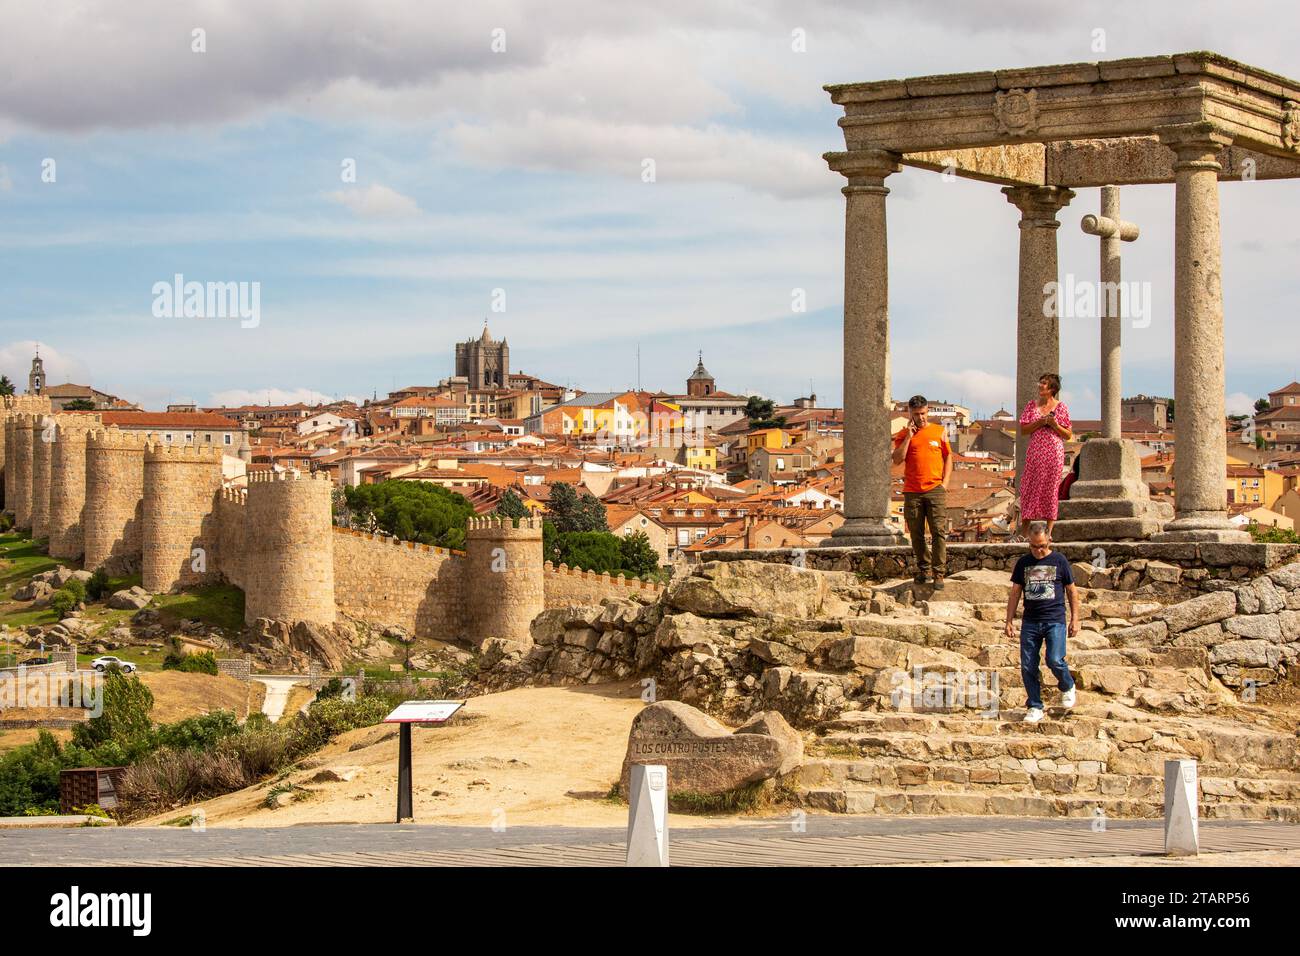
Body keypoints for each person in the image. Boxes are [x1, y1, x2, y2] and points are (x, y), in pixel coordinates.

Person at [1005, 522, 1079, 723]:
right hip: (1030, 621)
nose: (1038, 551)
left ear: (1049, 541)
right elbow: (1015, 592)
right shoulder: (1023, 563)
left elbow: (1072, 591)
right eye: (1034, 546)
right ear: (1029, 543)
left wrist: (1075, 619)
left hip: (1055, 620)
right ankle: (1035, 706)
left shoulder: (1059, 560)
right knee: (1028, 666)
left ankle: (1067, 685)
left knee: (1054, 659)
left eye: (1042, 546)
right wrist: (1009, 620)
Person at [892, 394, 952, 588]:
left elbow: (948, 457)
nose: (921, 417)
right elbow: (897, 459)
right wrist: (909, 437)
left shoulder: (939, 431)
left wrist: (945, 483)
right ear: (910, 413)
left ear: (928, 411)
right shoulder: (903, 434)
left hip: (935, 489)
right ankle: (924, 570)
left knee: (938, 532)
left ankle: (939, 573)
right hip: (912, 491)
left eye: (924, 413)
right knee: (916, 534)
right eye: (917, 414)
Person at [1018, 372, 1073, 538]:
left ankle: (1048, 533)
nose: (1040, 385)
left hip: (1054, 454)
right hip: (1035, 452)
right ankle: (1024, 533)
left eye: (1044, 383)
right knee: (1029, 488)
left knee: (1050, 490)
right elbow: (1023, 430)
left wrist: (1054, 425)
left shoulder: (1061, 407)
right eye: (1040, 382)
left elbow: (1068, 434)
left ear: (1052, 389)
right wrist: (1041, 422)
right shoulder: (1031, 406)